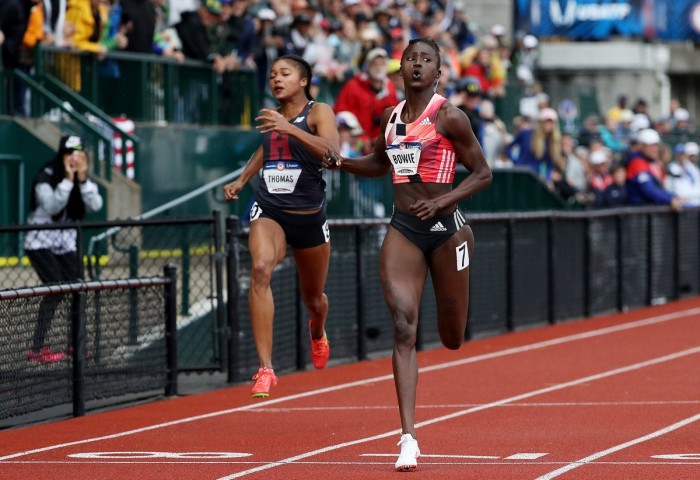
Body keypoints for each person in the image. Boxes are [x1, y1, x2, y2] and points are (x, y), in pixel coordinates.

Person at [322, 38, 492, 471]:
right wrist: (340, 163)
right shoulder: (390, 117)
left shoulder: (450, 116)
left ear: (438, 72)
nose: (417, 65)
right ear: (401, 68)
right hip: (404, 229)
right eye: (411, 58)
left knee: (452, 337)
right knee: (403, 327)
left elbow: (483, 173)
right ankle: (408, 437)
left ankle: (463, 241)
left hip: (446, 231)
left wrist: (444, 201)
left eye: (426, 60)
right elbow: (380, 164)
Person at [223, 55, 339, 398]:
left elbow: (333, 156)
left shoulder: (320, 112)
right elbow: (268, 148)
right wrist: (243, 180)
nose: (276, 79)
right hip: (270, 209)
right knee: (259, 269)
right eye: (273, 74)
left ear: (303, 80)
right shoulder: (272, 118)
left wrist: (289, 127)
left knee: (313, 298)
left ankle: (317, 331)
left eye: (285, 73)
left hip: (309, 217)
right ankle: (265, 368)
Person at [24, 135, 104, 363]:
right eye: (70, 153)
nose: (74, 158)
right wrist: (68, 180)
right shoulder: (46, 176)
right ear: (62, 155)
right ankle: (37, 349)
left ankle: (75, 344)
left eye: (79, 153)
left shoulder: (84, 179)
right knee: (55, 289)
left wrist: (82, 180)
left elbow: (95, 205)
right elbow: (51, 206)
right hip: (41, 242)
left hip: (66, 242)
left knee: (77, 288)